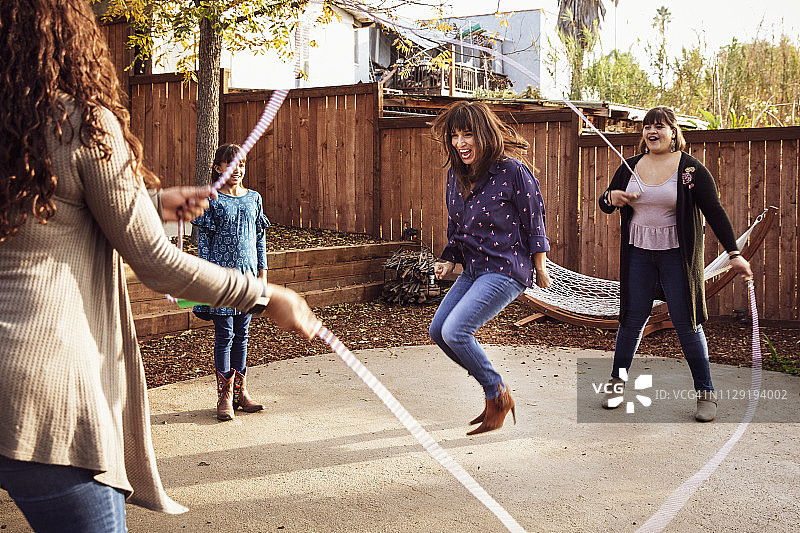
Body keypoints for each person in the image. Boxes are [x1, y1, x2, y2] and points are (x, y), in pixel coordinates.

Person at [0, 1, 320, 531]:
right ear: (67, 29)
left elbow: (47, 212)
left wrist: (150, 201)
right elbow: (157, 262)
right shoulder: (82, 125)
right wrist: (265, 295)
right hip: (45, 393)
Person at [598, 106, 752, 422]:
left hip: (676, 259)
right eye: (647, 127)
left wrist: (734, 253)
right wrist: (610, 198)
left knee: (688, 324)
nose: (652, 132)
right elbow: (605, 203)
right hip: (638, 255)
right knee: (631, 321)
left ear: (673, 131)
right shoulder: (630, 166)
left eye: (659, 126)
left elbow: (715, 212)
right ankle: (616, 384)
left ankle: (705, 394)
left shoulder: (690, 170)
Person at [428, 101, 552, 436]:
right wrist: (448, 259)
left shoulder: (511, 171)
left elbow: (534, 218)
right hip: (473, 269)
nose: (460, 143)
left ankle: (496, 394)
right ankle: (494, 392)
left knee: (456, 331)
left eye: (467, 134)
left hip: (506, 268)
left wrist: (539, 265)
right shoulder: (458, 178)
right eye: (454, 136)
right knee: (438, 331)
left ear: (483, 134)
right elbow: (457, 227)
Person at [192, 144, 270, 421]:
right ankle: (223, 397)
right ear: (218, 168)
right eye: (231, 164)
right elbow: (204, 242)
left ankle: (240, 393)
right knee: (224, 335)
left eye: (241, 165)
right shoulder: (211, 199)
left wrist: (263, 273)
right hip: (222, 281)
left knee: (243, 336)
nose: (237, 170)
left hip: (249, 279)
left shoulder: (254, 199)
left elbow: (260, 238)